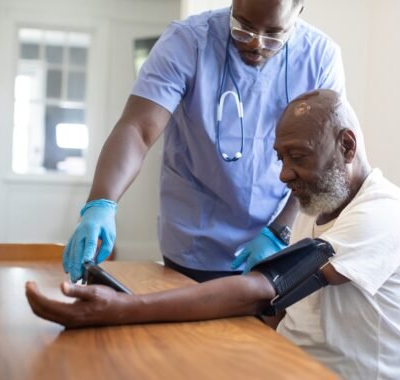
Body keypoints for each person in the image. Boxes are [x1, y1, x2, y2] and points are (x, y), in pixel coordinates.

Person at [27, 89, 400, 379]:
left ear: (347, 146)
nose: (283, 173)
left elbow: (267, 288)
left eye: (298, 156)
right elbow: (277, 306)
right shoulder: (324, 209)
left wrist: (121, 310)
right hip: (292, 366)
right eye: (280, 158)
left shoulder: (386, 214)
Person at [62, 0, 347, 283]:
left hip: (274, 239)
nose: (256, 44)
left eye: (274, 35)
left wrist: (280, 231)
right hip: (192, 241)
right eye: (243, 28)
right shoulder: (187, 41)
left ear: (298, 14)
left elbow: (320, 163)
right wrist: (101, 202)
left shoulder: (319, 57)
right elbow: (138, 128)